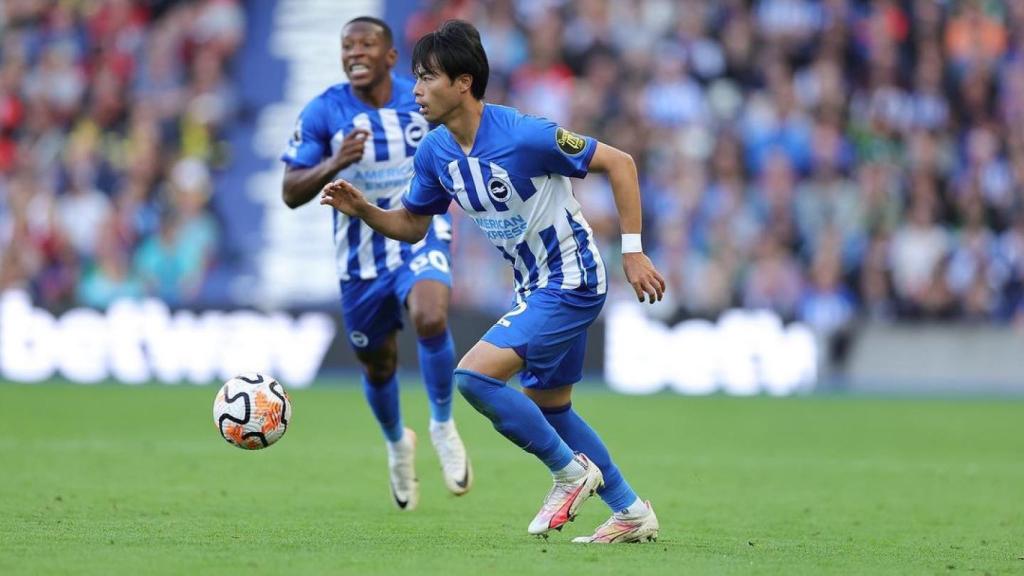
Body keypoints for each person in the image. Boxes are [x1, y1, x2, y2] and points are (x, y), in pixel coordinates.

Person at [320, 20, 665, 543]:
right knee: (553, 408)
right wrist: (364, 209)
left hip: (572, 278)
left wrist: (633, 253)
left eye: (427, 77)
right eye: (415, 78)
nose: (416, 89)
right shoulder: (436, 152)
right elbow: (413, 226)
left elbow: (620, 163)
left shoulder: (524, 135)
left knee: (474, 378)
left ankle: (570, 475)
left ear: (463, 83)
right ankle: (631, 511)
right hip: (534, 286)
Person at [280, 16, 471, 511]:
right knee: (378, 361)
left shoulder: (422, 99)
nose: (356, 53)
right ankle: (396, 444)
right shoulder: (324, 110)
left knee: (431, 315)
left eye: (368, 44)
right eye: (348, 46)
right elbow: (290, 192)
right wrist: (335, 163)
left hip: (418, 226)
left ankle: (443, 424)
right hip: (360, 252)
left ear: (390, 57)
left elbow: (465, 135)